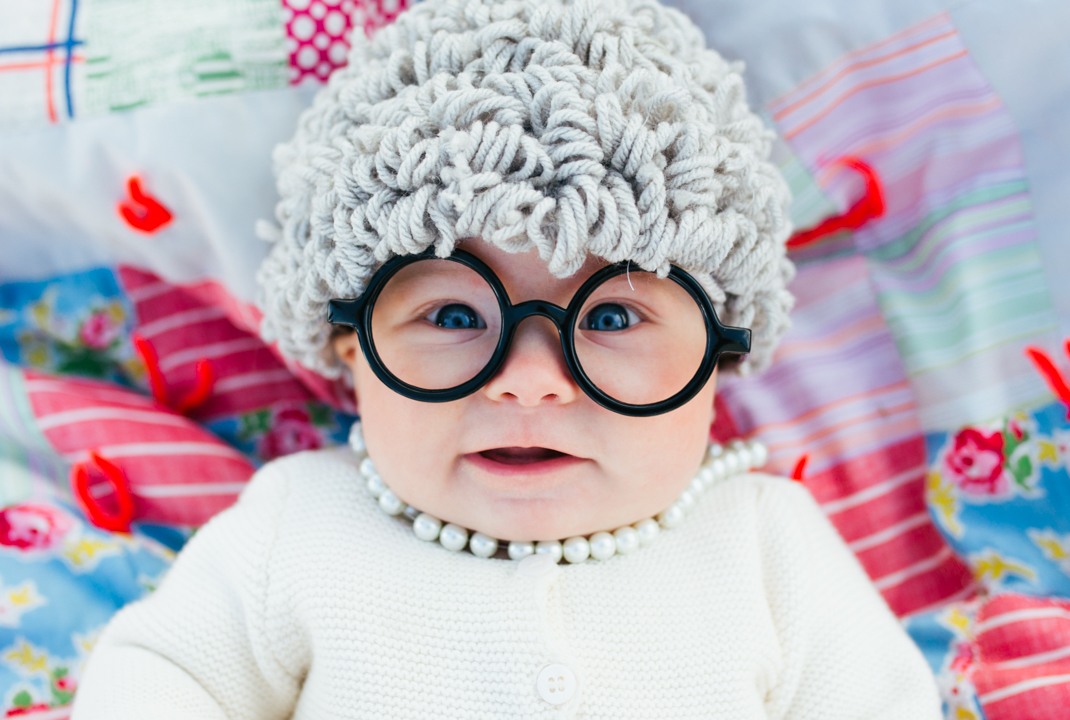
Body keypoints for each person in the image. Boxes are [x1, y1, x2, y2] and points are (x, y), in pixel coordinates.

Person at [71, 0, 944, 716]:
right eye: (454, 313)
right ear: (349, 347)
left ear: (719, 354)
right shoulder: (299, 522)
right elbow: (158, 676)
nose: (529, 381)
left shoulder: (766, 542)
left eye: (612, 317)